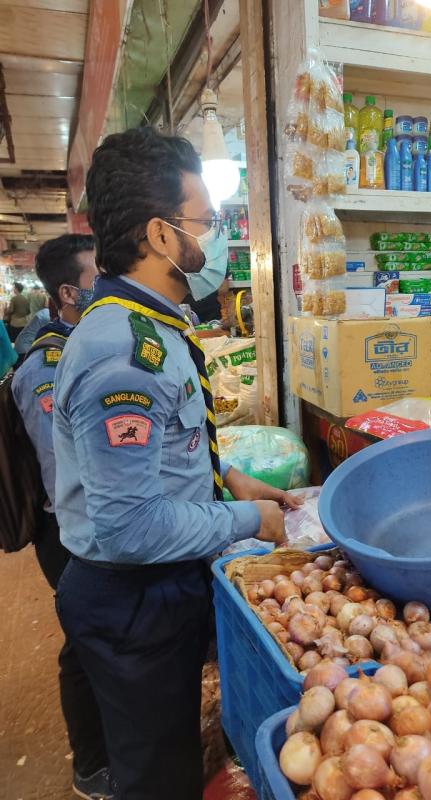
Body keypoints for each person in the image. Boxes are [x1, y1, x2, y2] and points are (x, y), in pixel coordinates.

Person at [52, 126, 300, 800]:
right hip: (132, 596)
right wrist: (250, 517)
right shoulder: (123, 354)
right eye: (206, 221)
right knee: (158, 774)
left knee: (172, 750)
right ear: (162, 236)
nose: (213, 237)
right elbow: (130, 527)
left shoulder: (156, 324)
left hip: (158, 585)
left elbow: (166, 459)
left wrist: (234, 483)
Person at [10, 235, 111, 800]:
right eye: (101, 273)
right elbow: (64, 474)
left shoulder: (82, 346)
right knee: (83, 643)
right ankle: (91, 767)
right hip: (64, 529)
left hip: (81, 522)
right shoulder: (48, 364)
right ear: (71, 292)